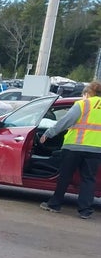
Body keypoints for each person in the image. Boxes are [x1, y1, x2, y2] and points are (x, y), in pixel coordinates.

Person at [38, 80, 101, 219]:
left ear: (88, 93)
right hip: (96, 150)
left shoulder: (83, 104)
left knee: (65, 176)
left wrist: (49, 133)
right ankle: (85, 210)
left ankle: (55, 204)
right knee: (88, 179)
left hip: (74, 147)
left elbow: (65, 121)